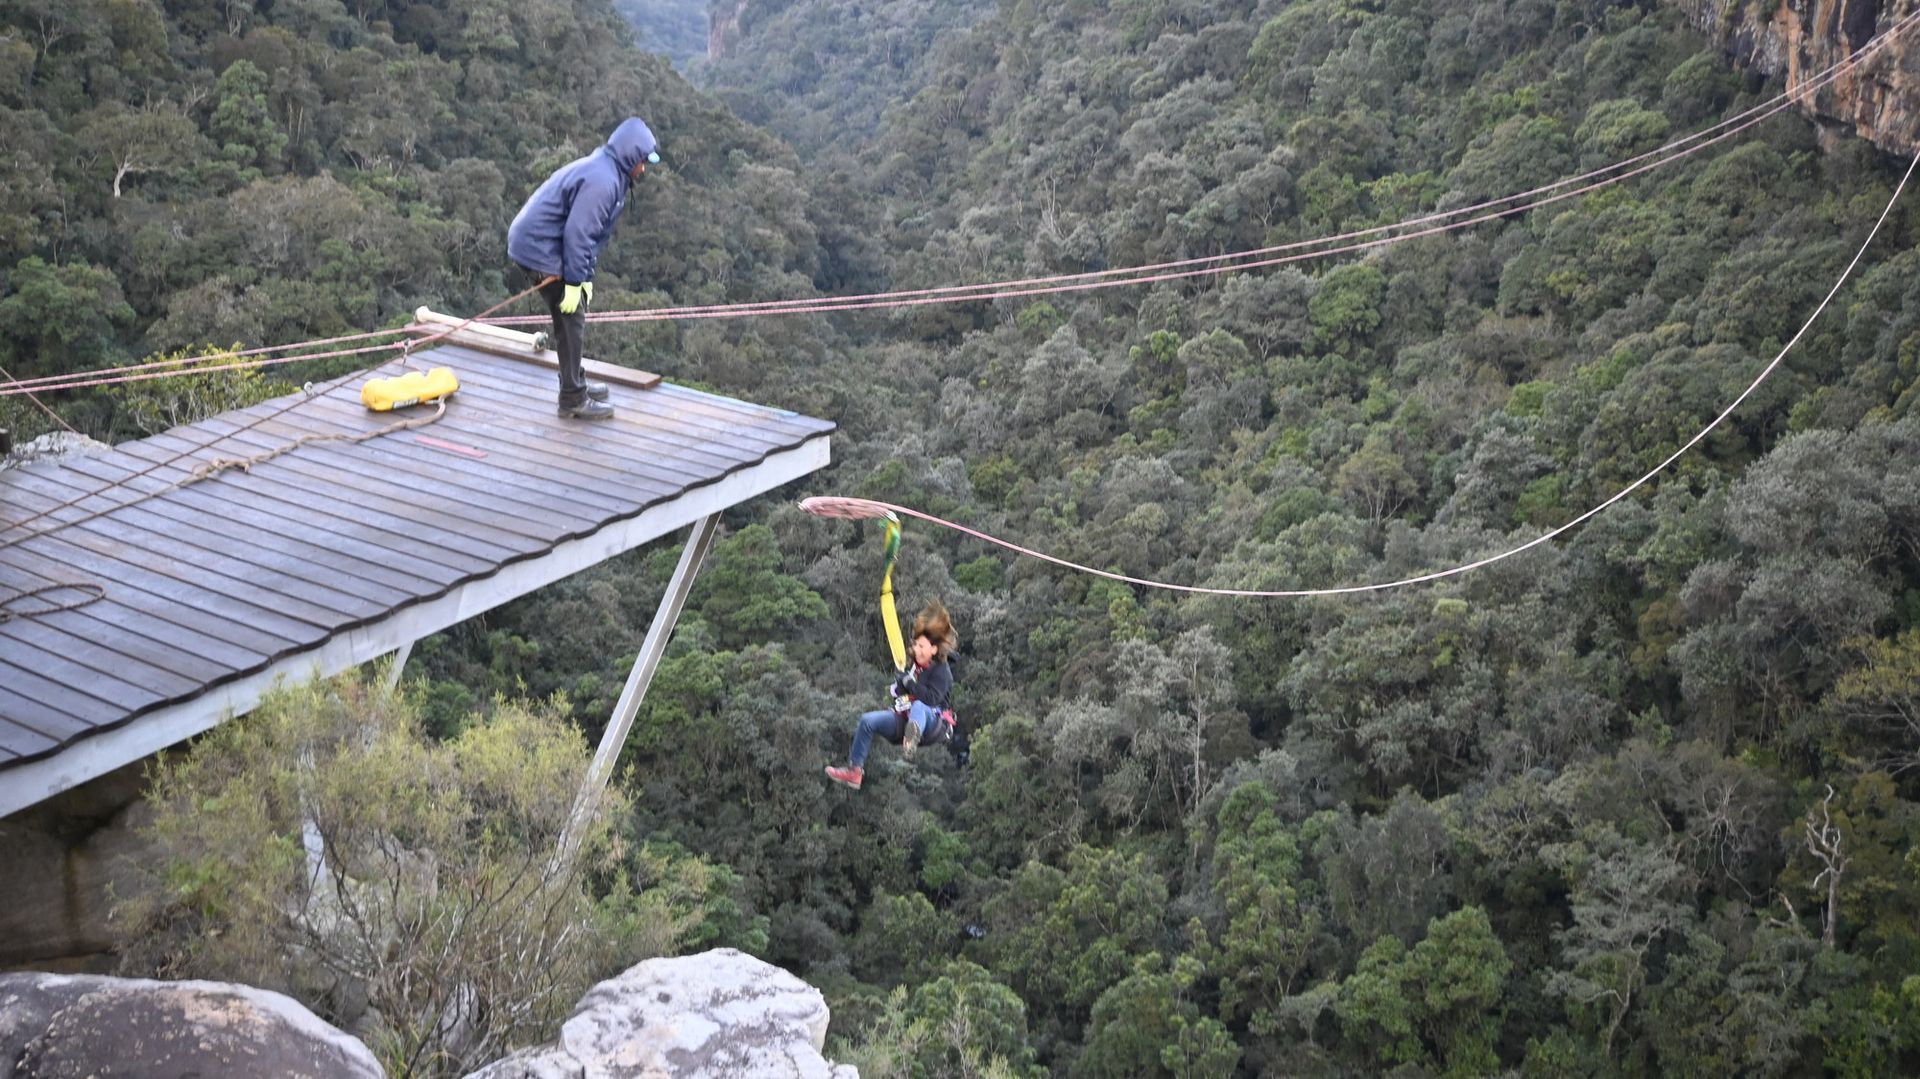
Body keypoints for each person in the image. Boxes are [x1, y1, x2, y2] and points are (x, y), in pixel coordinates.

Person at [507, 116, 659, 421]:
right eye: (642, 161)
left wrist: (584, 278)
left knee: (571, 316)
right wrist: (575, 282)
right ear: (631, 155)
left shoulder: (609, 171)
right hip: (538, 247)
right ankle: (573, 398)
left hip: (542, 243)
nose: (643, 169)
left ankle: (576, 382)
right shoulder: (603, 181)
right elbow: (579, 235)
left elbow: (592, 237)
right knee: (571, 317)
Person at [826, 602, 958, 790]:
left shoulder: (942, 672)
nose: (917, 649)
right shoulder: (915, 667)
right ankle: (855, 771)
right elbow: (904, 693)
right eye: (916, 645)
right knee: (867, 721)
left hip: (932, 723)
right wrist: (900, 686)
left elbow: (930, 699)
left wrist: (909, 684)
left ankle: (912, 739)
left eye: (922, 646)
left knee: (920, 706)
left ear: (934, 649)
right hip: (905, 718)